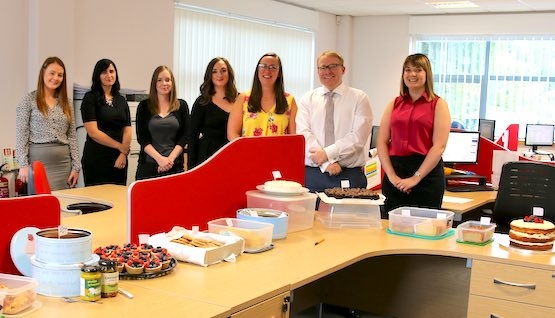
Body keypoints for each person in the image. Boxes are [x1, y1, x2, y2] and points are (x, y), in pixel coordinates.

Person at [377, 53, 451, 213]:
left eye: (418, 70)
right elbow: (381, 142)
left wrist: (416, 177)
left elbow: (439, 146)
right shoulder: (394, 104)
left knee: (424, 230)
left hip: (426, 174)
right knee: (391, 229)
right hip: (395, 172)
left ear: (427, 74)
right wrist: (391, 176)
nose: (412, 74)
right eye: (408, 70)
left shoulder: (438, 105)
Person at [296, 50, 373, 193]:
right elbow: (303, 134)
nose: (328, 71)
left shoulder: (359, 98)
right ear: (318, 71)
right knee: (310, 215)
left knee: (348, 216)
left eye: (333, 66)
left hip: (349, 174)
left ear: (343, 69)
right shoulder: (308, 98)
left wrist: (327, 154)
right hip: (313, 175)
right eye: (323, 67)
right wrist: (326, 163)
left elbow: (358, 137)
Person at [15, 56, 80, 190]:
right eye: (52, 73)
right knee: (41, 205)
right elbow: (21, 135)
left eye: (60, 75)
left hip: (63, 164)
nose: (56, 78)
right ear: (43, 74)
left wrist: (76, 167)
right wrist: (23, 165)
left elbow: (72, 136)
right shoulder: (29, 100)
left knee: (63, 204)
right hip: (38, 163)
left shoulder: (66, 102)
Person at [81, 58, 131, 186]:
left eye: (111, 71)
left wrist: (122, 153)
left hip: (119, 158)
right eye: (104, 72)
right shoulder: (90, 98)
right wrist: (121, 147)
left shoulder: (121, 100)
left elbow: (127, 128)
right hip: (97, 158)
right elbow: (93, 132)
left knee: (118, 199)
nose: (109, 75)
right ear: (98, 76)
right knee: (96, 201)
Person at [135, 66, 189, 180]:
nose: (164, 83)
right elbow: (142, 138)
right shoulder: (144, 106)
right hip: (148, 166)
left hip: (174, 166)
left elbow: (184, 136)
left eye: (167, 80)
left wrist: (169, 160)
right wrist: (160, 159)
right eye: (159, 80)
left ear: (172, 83)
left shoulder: (181, 106)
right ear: (154, 83)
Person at [227, 52, 297, 140]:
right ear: (257, 70)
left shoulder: (290, 101)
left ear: (279, 73)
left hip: (278, 153)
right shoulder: (243, 98)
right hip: (249, 152)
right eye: (263, 66)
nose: (267, 71)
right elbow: (232, 134)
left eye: (273, 67)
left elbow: (294, 138)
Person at [188, 57, 238, 168]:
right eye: (214, 71)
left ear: (229, 73)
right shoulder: (202, 102)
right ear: (209, 75)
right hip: (208, 156)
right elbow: (192, 137)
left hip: (233, 154)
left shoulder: (240, 99)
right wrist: (191, 169)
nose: (219, 75)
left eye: (223, 70)